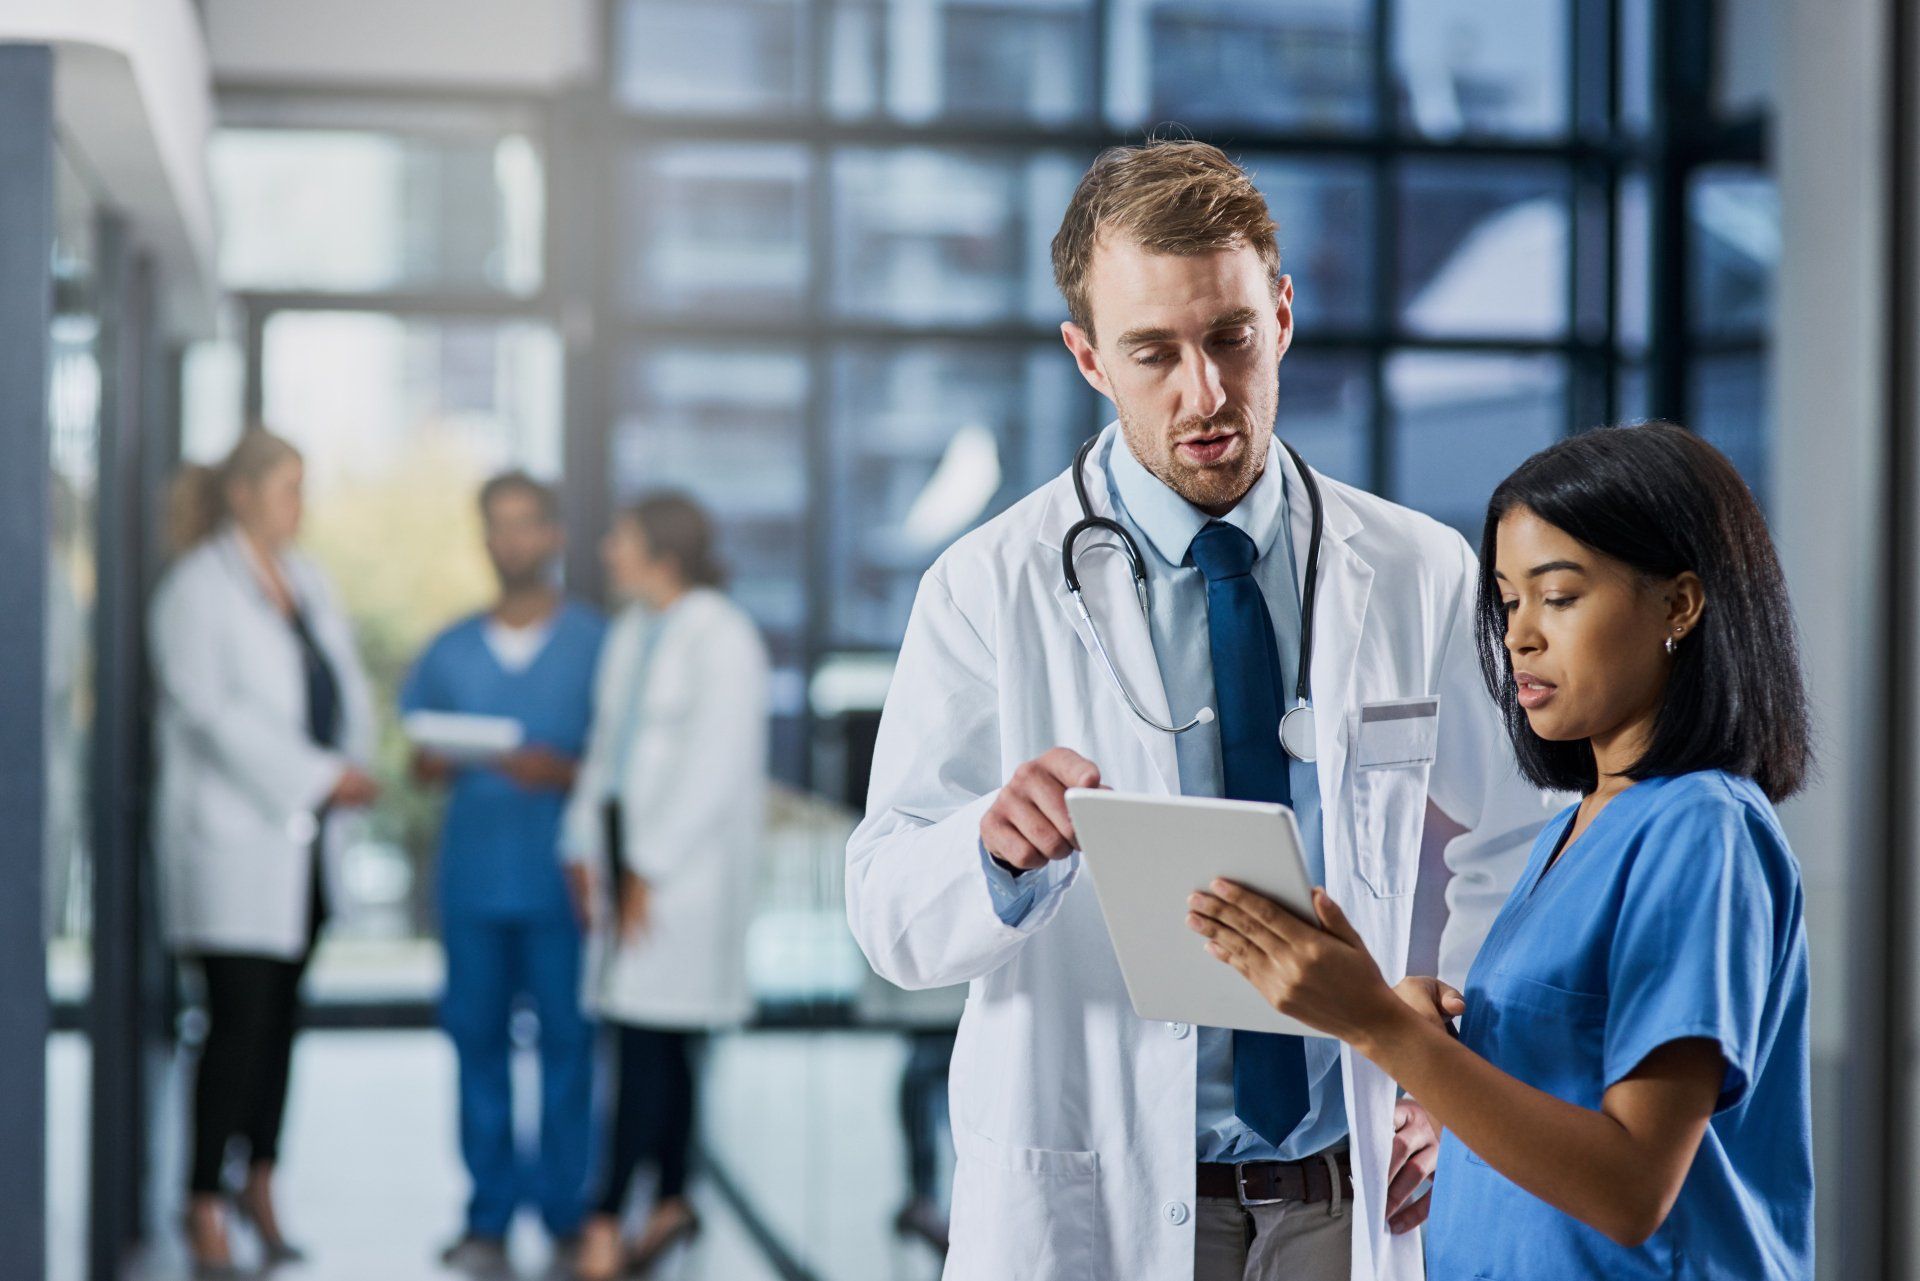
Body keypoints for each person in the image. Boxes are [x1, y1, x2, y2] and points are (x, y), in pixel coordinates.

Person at [844, 138, 1559, 1281]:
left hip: (1346, 1188)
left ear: (1280, 313)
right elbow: (886, 911)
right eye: (1152, 353)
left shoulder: (1417, 570)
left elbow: (1524, 841)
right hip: (1099, 1194)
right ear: (1088, 358)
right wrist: (989, 850)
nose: (1206, 394)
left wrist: (1458, 1056)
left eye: (1230, 337)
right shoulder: (988, 588)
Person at [1188, 423, 1814, 1279]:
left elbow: (1633, 1185)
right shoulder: (1574, 826)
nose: (1519, 635)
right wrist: (1441, 1029)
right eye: (1508, 601)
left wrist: (1376, 1025)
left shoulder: (1702, 829)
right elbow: (1556, 1085)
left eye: (1558, 597)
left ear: (1679, 604)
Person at [150, 429, 378, 1273]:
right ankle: (204, 1196)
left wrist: (348, 770)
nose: (299, 506)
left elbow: (339, 685)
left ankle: (263, 1181)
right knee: (235, 1025)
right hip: (237, 843)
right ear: (242, 493)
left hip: (306, 845)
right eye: (288, 488)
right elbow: (211, 717)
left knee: (282, 1022)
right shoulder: (196, 590)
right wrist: (320, 776)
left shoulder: (306, 580)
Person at [399, 472, 605, 1271]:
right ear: (483, 538)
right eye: (498, 526)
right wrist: (434, 757)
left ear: (553, 534)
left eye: (527, 525)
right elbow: (417, 757)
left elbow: (618, 757)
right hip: (474, 879)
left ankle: (564, 1208)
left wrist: (559, 771)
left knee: (567, 1045)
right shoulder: (448, 648)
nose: (512, 541)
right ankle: (487, 1211)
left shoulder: (594, 642)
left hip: (562, 882)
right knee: (476, 1041)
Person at [565, 493, 769, 1281]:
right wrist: (583, 848)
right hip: (624, 869)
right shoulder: (631, 632)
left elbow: (714, 771)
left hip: (680, 879)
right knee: (662, 1046)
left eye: (621, 536)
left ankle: (608, 1217)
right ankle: (675, 1198)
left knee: (647, 1043)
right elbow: (605, 750)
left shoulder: (722, 636)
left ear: (661, 548)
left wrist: (646, 866)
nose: (610, 549)